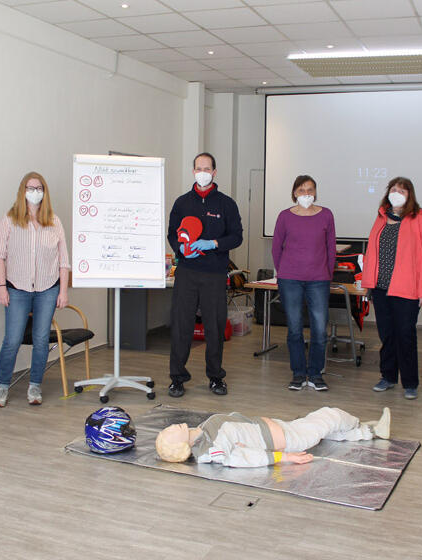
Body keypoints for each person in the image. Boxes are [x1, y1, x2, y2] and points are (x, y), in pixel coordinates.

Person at [166, 153, 243, 398]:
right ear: (193, 172)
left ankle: (216, 377)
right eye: (198, 168)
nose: (202, 172)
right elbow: (171, 233)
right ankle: (177, 378)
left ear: (214, 172)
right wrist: (180, 249)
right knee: (181, 326)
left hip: (215, 274)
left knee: (215, 327)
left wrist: (212, 243)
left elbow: (237, 236)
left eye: (207, 168)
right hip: (187, 273)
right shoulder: (182, 203)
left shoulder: (226, 204)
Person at [0, 172, 71, 407]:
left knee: (40, 339)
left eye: (39, 188)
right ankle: (2, 387)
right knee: (12, 339)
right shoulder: (9, 220)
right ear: (22, 191)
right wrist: (1, 287)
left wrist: (63, 291)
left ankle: (35, 385)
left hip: (48, 288)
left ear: (44, 192)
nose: (34, 192)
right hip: (17, 288)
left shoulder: (54, 222)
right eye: (30, 187)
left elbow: (64, 261)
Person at [362, 177, 422, 400]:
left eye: (402, 191)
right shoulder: (381, 218)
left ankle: (410, 382)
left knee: (405, 335)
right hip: (381, 288)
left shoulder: (419, 218)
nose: (397, 193)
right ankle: (388, 377)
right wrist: (368, 284)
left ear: (409, 195)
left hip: (407, 290)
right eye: (393, 189)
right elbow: (372, 254)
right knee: (387, 335)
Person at [155, 406, 391, 467]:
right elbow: (240, 459)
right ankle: (367, 427)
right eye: (169, 432)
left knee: (327, 432)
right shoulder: (208, 449)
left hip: (280, 428)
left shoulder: (201, 431)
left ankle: (366, 432)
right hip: (288, 439)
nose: (171, 426)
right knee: (329, 416)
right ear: (179, 446)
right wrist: (283, 458)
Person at [272, 175, 336, 391]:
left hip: (318, 279)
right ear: (294, 193)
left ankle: (316, 374)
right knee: (295, 329)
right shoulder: (284, 217)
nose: (306, 194)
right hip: (290, 279)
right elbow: (276, 247)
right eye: (301, 190)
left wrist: (327, 273)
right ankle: (299, 373)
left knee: (319, 329)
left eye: (310, 190)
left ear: (315, 192)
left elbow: (330, 247)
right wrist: (283, 272)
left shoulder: (326, 215)